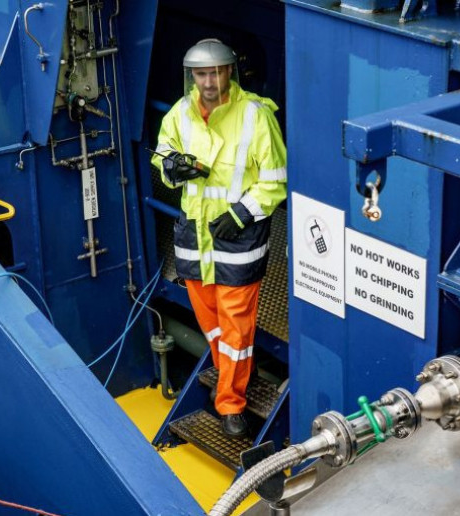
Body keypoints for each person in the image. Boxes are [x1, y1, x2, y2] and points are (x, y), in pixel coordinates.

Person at [151, 39, 287, 438]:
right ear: (191, 76)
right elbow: (162, 154)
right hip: (194, 237)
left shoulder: (256, 116)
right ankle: (233, 370)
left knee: (236, 329)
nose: (209, 82)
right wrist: (173, 170)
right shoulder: (180, 113)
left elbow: (275, 180)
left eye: (216, 72)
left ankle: (230, 402)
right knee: (211, 323)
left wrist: (241, 213)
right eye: (201, 74)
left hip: (238, 239)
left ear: (230, 71)